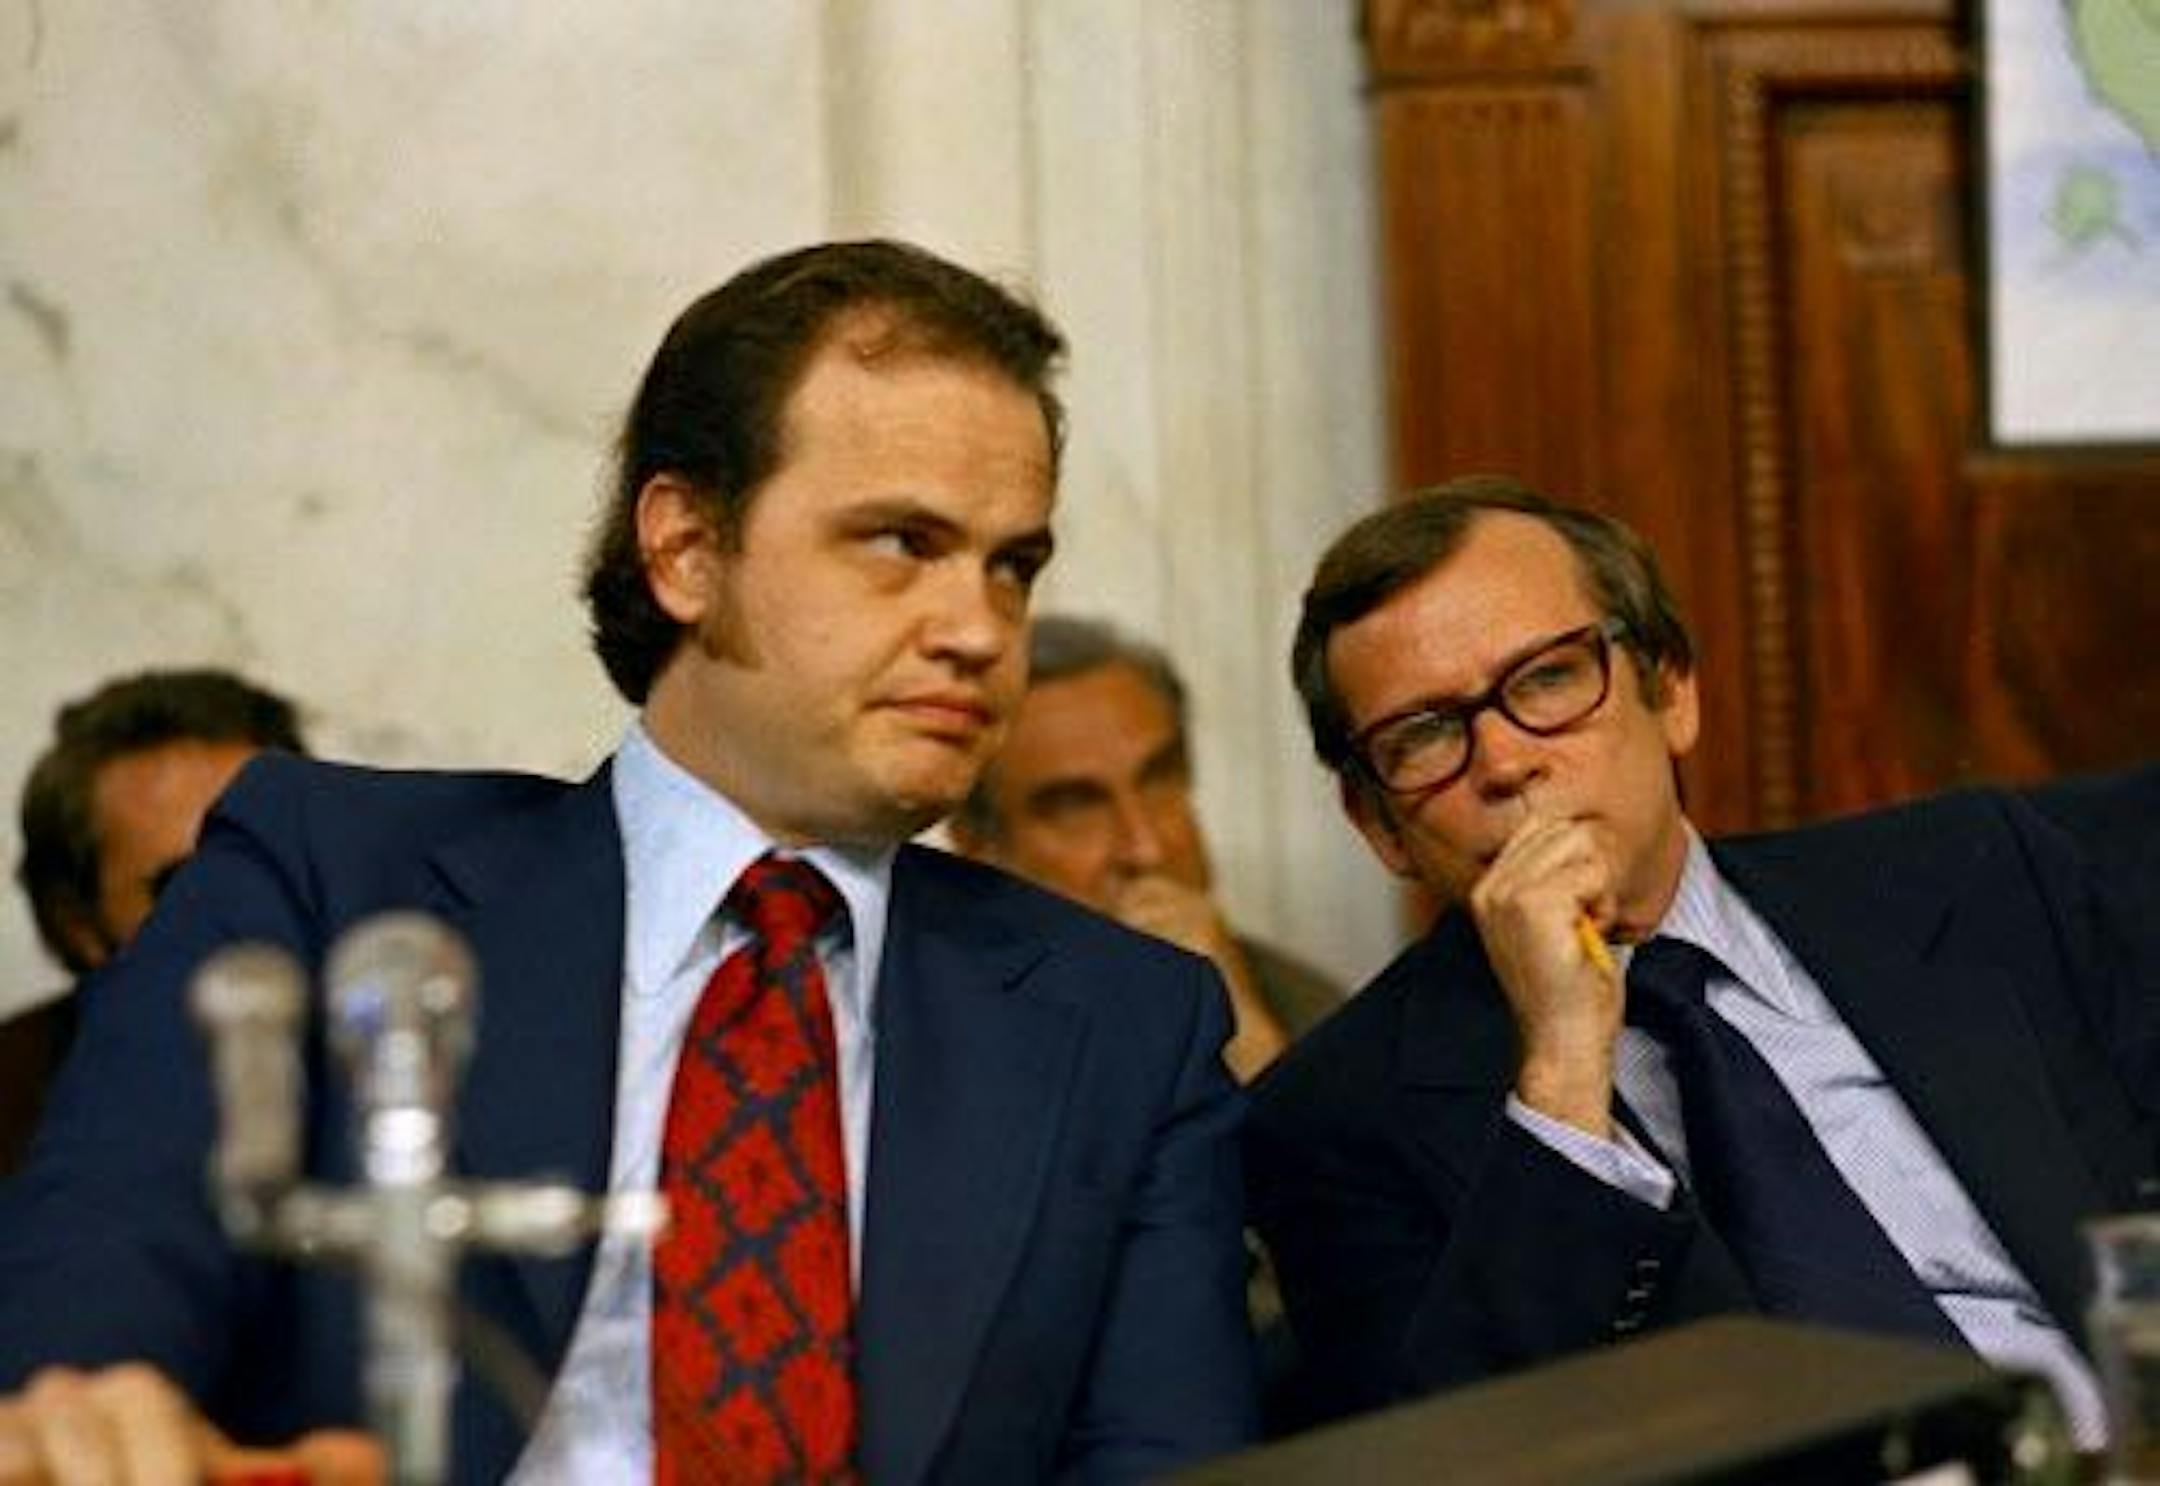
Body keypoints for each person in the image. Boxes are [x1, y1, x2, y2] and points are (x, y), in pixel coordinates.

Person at [0, 240, 1255, 1483]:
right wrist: (95, 1424)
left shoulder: (1126, 1029)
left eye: (1012, 566)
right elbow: (97, 1290)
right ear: (687, 549)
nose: (979, 629)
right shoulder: (329, 875)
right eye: (900, 543)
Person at [1244, 476, 2159, 1445]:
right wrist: (1561, 1075)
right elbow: (1468, 1458)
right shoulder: (1335, 1122)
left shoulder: (1976, 877)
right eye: (1423, 735)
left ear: (1673, 690)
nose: (1506, 763)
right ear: (1379, 826)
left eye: (1548, 679)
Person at [950, 614, 1342, 1083]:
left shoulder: (1298, 1004)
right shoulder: (936, 1036)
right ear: (978, 847)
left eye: (1159, 780)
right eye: (1076, 807)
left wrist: (1243, 1034)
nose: (1147, 849)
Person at [2, 668, 307, 1174]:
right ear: (80, 928)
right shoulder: (17, 1108)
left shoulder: (401, 1053)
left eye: (272, 863)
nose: (248, 908)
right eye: (185, 885)